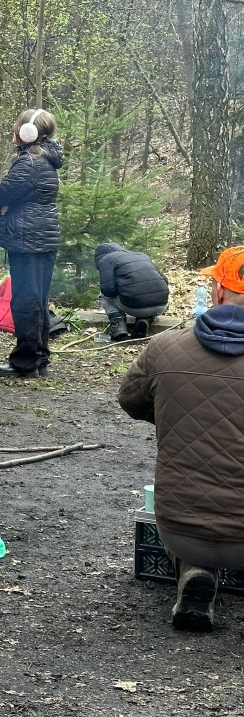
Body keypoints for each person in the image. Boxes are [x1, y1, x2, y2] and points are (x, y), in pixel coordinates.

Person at [118, 246, 244, 631]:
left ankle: (195, 571)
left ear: (218, 291)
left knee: (198, 525)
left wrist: (173, 415)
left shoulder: (163, 347)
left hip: (178, 529)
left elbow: (131, 401)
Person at [0, 108, 63, 377]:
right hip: (43, 237)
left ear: (27, 132)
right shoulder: (46, 159)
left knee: (25, 300)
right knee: (38, 298)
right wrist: (3, 206)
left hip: (27, 239)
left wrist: (0, 204)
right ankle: (39, 357)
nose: (14, 130)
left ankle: (26, 361)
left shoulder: (29, 162)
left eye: (18, 126)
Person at [95, 243, 169, 341]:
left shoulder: (105, 260)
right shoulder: (142, 255)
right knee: (152, 294)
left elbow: (108, 290)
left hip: (133, 307)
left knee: (103, 295)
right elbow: (165, 280)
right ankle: (145, 320)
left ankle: (118, 325)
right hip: (162, 305)